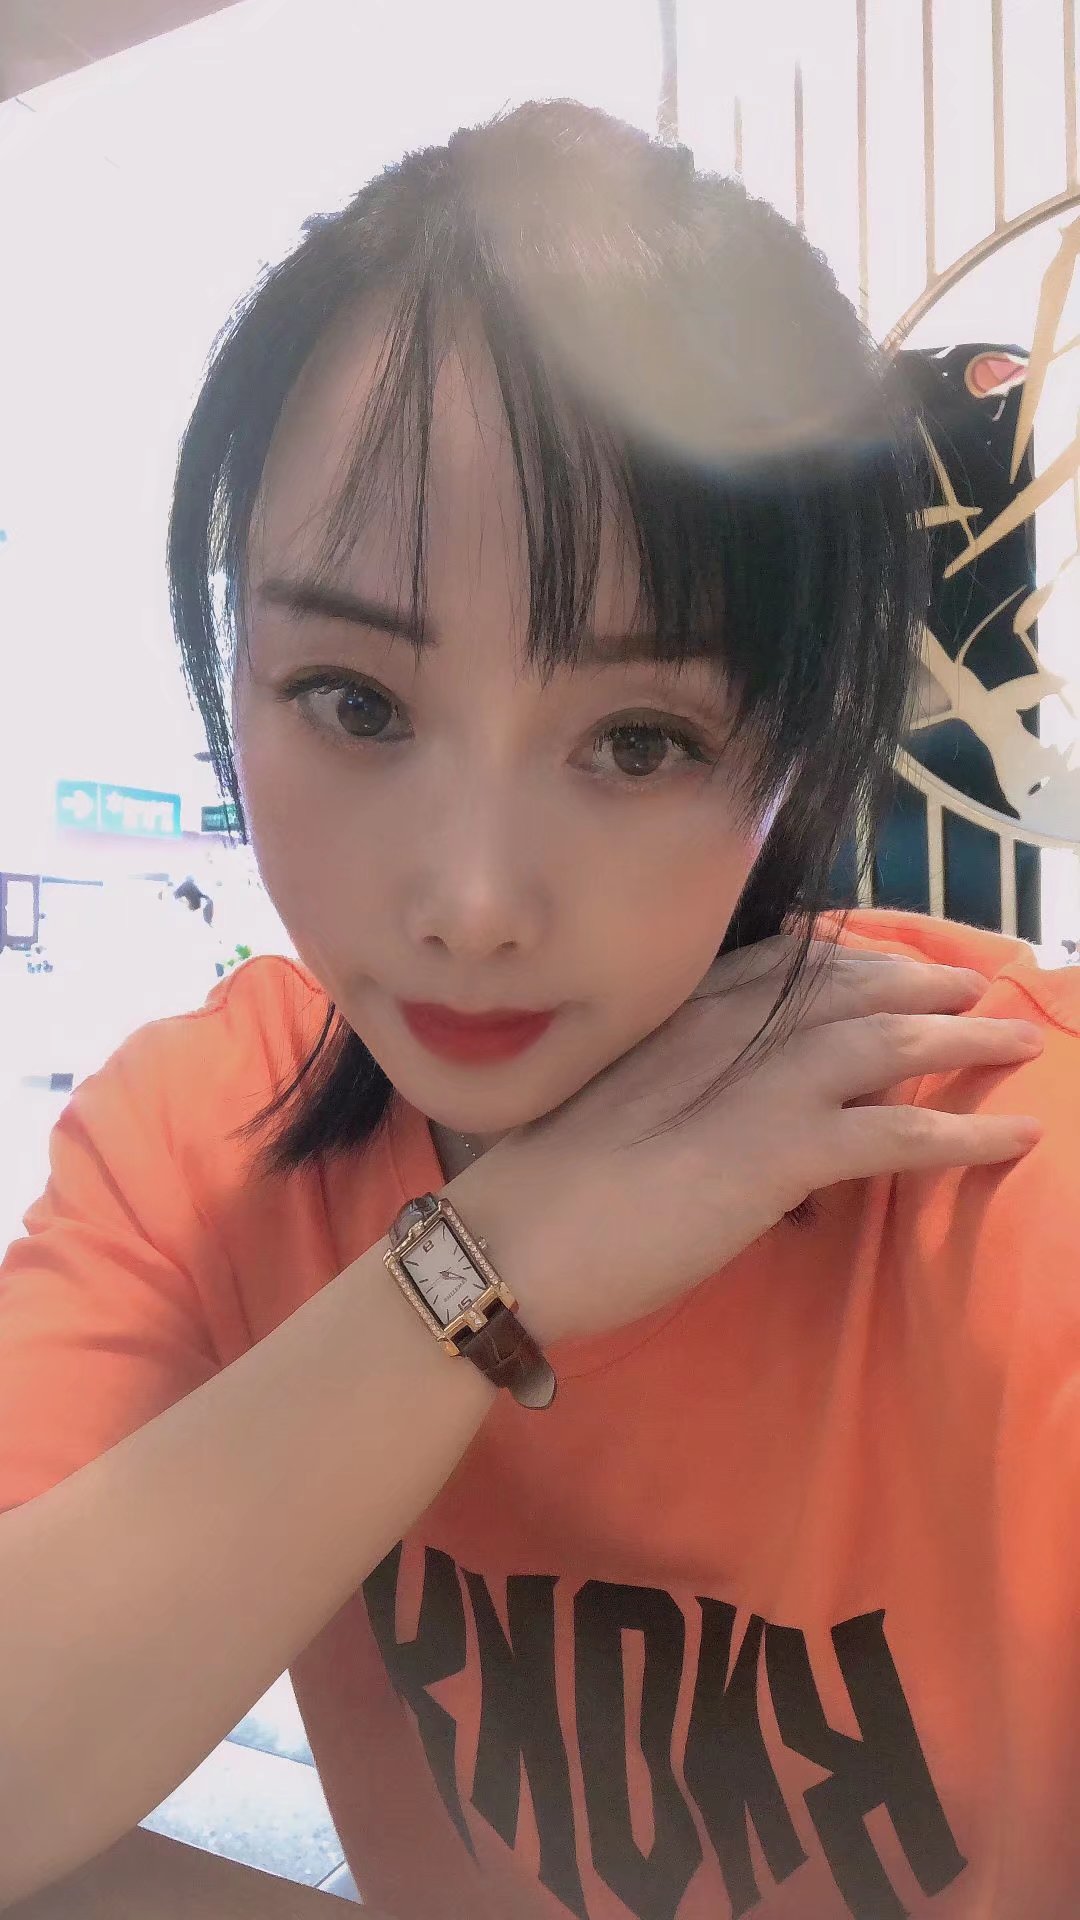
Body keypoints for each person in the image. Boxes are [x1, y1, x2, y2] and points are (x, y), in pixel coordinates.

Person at [0, 99, 1075, 1920]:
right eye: (354, 703)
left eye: (639, 741)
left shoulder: (1003, 1165)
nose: (474, 906)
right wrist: (478, 1270)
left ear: (802, 748)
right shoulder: (202, 1136)